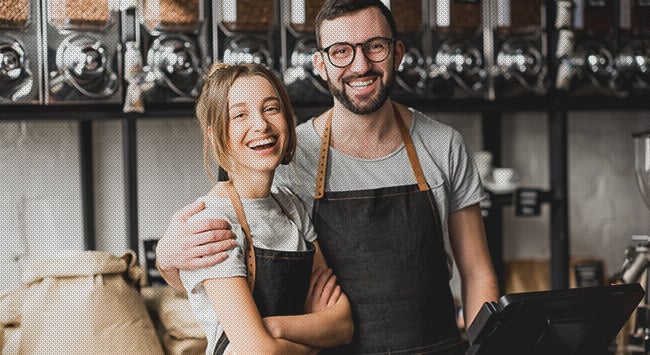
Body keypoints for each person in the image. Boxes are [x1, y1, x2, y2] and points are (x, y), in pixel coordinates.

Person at [157, 0, 499, 353]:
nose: (360, 65)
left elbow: (477, 273)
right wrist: (166, 259)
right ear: (320, 64)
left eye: (375, 47)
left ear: (397, 53)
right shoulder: (284, 152)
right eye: (341, 52)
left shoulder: (443, 145)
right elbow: (238, 275)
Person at [178, 62, 353, 354]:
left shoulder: (290, 207)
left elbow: (343, 325)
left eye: (271, 109)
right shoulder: (213, 221)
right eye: (240, 115)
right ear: (214, 134)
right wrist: (311, 344)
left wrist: (272, 328)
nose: (261, 125)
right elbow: (260, 352)